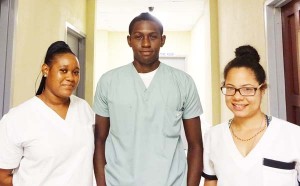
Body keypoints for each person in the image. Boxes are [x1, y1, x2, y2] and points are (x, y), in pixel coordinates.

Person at [93, 12, 203, 186]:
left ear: (163, 40)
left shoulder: (183, 82)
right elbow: (99, 140)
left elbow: (196, 145)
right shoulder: (108, 81)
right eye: (138, 37)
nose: (145, 43)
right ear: (129, 40)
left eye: (152, 36)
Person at [202, 45, 300, 186]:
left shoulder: (293, 135)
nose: (237, 97)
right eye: (230, 88)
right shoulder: (213, 136)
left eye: (247, 89)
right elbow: (211, 181)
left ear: (263, 89)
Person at [0, 41, 95, 186]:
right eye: (63, 70)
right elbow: (3, 177)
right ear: (46, 70)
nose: (71, 78)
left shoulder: (84, 109)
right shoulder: (17, 118)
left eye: (76, 72)